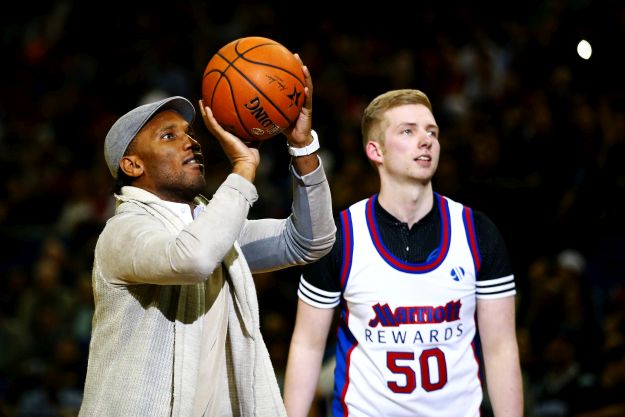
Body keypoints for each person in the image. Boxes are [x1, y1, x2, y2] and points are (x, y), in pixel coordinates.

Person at [78, 58, 336, 417]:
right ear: (133, 165)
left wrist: (302, 146)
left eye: (189, 133)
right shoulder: (122, 232)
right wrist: (243, 170)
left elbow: (310, 241)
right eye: (169, 136)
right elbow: (194, 258)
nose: (191, 142)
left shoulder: (212, 229)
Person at [283, 89, 523, 417]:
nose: (426, 141)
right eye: (408, 131)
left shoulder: (477, 232)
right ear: (375, 150)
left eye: (432, 132)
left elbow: (501, 349)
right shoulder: (341, 237)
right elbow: (307, 346)